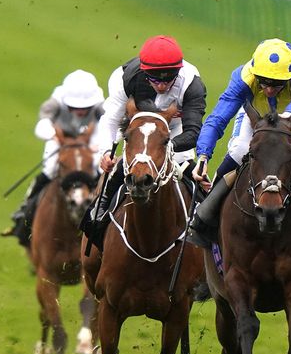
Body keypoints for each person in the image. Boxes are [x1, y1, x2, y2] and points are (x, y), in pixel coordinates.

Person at [186, 38, 291, 257]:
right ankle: (205, 214)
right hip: (255, 117)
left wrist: (284, 120)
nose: (269, 89)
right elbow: (218, 118)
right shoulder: (244, 76)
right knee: (239, 150)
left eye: (277, 84)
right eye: (264, 82)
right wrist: (203, 155)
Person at [80, 35, 207, 249]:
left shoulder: (192, 84)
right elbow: (110, 120)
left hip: (174, 132)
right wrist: (105, 152)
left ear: (178, 71)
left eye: (169, 80)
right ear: (144, 72)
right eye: (155, 80)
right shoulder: (125, 78)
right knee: (121, 170)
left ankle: (207, 227)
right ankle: (98, 217)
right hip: (139, 131)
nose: (162, 86)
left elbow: (193, 132)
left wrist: (165, 146)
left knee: (197, 180)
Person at [1, 69, 105, 244]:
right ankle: (25, 210)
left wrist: (101, 144)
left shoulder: (100, 105)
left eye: (85, 108)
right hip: (59, 137)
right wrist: (51, 133)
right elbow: (43, 121)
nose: (80, 111)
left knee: (97, 166)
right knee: (49, 168)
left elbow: (111, 123)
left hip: (90, 138)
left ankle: (104, 208)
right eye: (75, 107)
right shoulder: (55, 102)